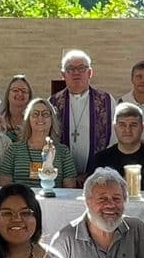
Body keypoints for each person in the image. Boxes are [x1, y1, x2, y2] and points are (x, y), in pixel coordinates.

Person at [50, 49, 116, 179]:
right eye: (70, 69)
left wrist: (94, 172)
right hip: (62, 177)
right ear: (63, 74)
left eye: (81, 68)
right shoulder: (53, 103)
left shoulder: (106, 101)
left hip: (98, 175)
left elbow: (113, 140)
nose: (76, 73)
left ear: (90, 72)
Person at [0, 97, 78, 189]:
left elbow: (70, 188)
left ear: (52, 119)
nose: (40, 118)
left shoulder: (63, 152)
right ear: (28, 119)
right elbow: (5, 186)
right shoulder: (13, 150)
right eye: (35, 114)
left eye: (45, 114)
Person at [91, 102, 144, 186]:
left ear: (142, 127)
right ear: (115, 127)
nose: (127, 130)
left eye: (133, 125)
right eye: (122, 125)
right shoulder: (101, 160)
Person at [0, 74, 34, 143]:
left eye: (24, 91)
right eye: (15, 90)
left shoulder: (34, 121)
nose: (20, 94)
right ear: (8, 94)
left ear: (29, 96)